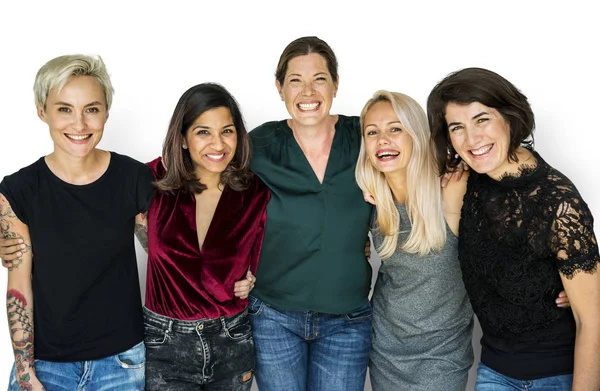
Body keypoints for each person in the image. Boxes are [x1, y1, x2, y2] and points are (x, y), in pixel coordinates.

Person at [427, 67, 600, 390]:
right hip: (493, 370)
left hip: (556, 376)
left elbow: (592, 320)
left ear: (509, 117)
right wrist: (370, 190)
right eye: (457, 127)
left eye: (482, 120)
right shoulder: (465, 180)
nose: (472, 139)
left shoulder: (558, 202)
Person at [1, 54, 154, 390]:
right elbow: (19, 288)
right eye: (65, 109)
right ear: (42, 111)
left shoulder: (134, 178)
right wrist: (26, 373)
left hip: (121, 363)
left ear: (106, 114)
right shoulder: (19, 190)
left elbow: (168, 258)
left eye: (92, 109)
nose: (80, 124)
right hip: (46, 364)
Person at [247, 36, 373, 391]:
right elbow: (214, 191)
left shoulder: (364, 135)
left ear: (335, 84)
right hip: (273, 315)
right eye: (295, 80)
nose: (308, 91)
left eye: (319, 78)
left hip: (347, 317)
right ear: (279, 88)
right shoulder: (259, 145)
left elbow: (412, 159)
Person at [135, 82, 269, 390]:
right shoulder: (149, 182)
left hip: (231, 339)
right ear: (182, 138)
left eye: (227, 130)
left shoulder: (254, 191)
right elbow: (91, 213)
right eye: (203, 131)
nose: (218, 144)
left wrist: (252, 277)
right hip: (164, 342)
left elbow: (270, 246)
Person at [355, 90, 474, 390]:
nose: (383, 140)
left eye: (395, 129)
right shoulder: (371, 201)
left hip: (442, 354)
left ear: (417, 135)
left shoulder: (451, 188)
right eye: (373, 132)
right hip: (385, 349)